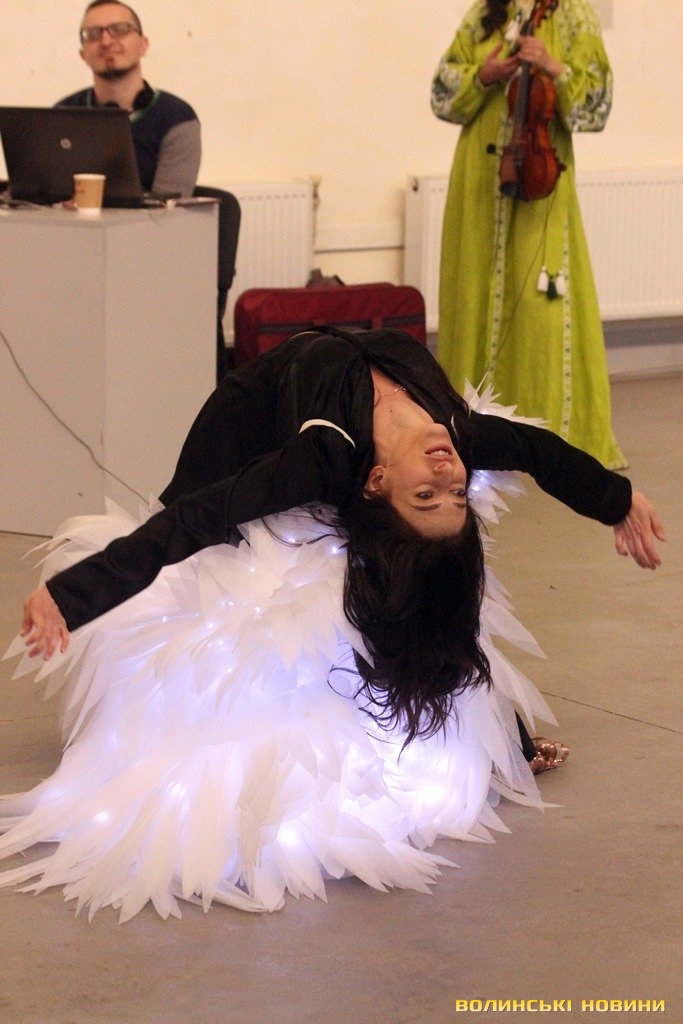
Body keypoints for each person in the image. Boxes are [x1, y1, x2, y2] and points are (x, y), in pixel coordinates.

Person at [4, 328, 663, 918]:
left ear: (375, 481)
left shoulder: (322, 456)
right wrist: (617, 499)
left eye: (427, 494)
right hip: (247, 420)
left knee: (403, 597)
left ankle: (499, 735)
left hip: (249, 437)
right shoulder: (457, 436)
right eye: (455, 493)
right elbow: (540, 453)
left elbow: (199, 517)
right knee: (247, 573)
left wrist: (72, 596)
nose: (446, 473)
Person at [431, 0, 625, 470]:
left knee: (543, 308)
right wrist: (485, 73)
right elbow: (441, 93)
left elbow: (596, 106)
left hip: (542, 176)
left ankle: (550, 438)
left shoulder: (574, 14)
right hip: (481, 181)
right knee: (474, 295)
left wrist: (554, 67)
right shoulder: (485, 12)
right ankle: (472, 430)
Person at [56, 1, 201, 197]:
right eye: (93, 34)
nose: (106, 41)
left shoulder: (177, 118)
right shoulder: (62, 114)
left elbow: (169, 210)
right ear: (83, 54)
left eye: (120, 29)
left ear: (143, 45)